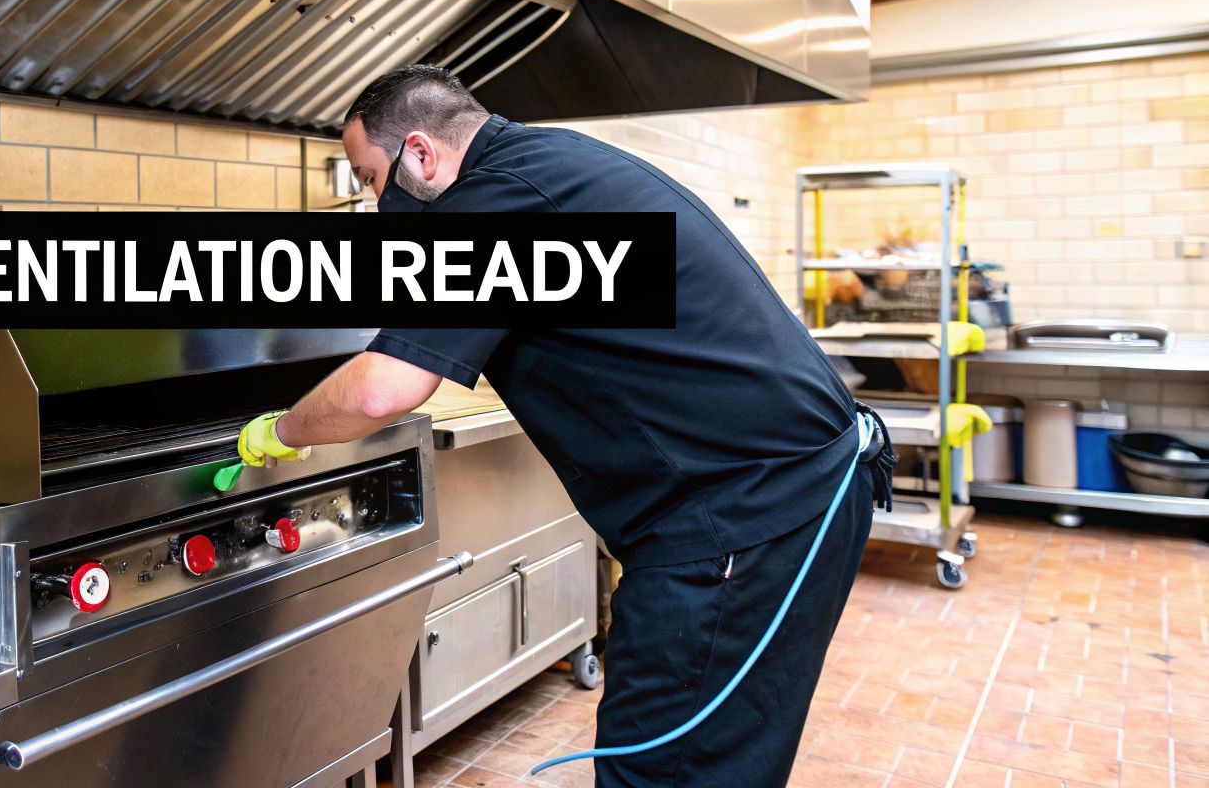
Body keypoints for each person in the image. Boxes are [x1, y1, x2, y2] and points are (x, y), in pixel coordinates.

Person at [233, 65, 894, 787]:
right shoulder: (546, 165)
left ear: (420, 154)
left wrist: (281, 430)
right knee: (713, 761)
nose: (372, 201)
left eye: (368, 179)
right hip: (789, 494)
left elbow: (383, 388)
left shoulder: (496, 201)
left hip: (744, 519)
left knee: (669, 770)